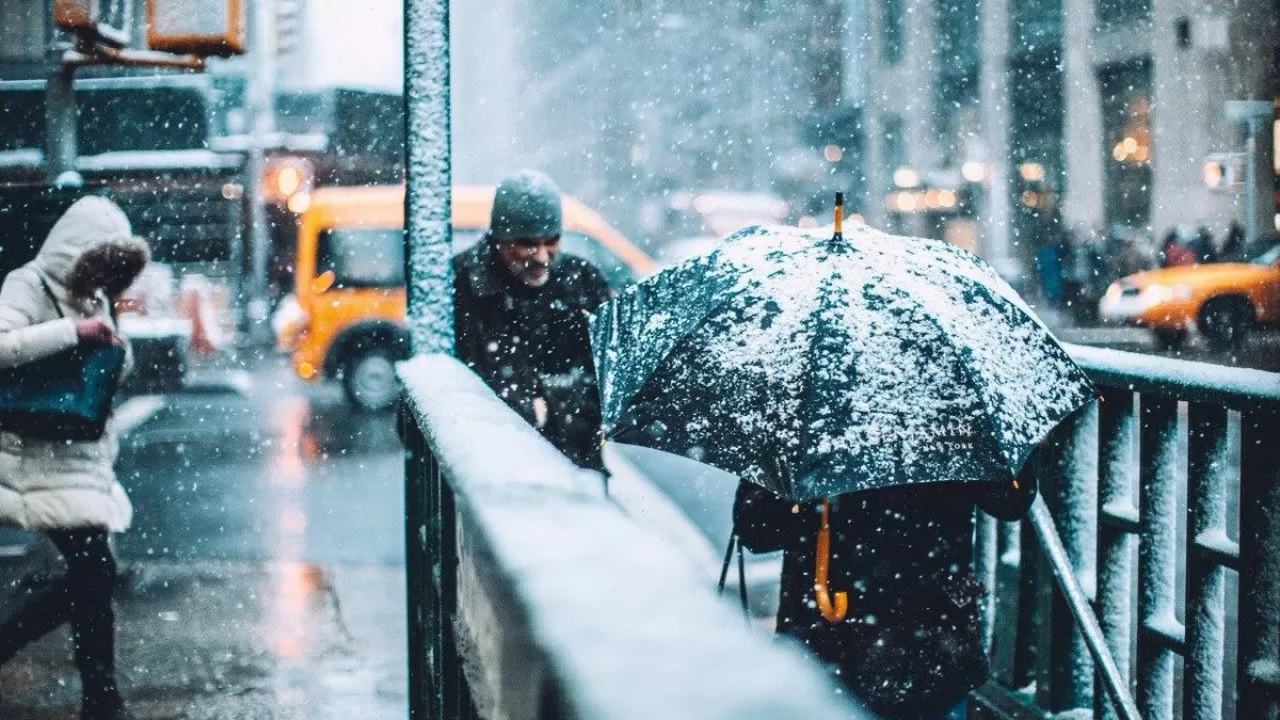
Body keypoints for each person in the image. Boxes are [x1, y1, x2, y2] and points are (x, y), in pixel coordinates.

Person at [0, 195, 149, 720]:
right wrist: (73, 332)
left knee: (94, 575)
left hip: (78, 453)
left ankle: (102, 701)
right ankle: (101, 702)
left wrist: (112, 342)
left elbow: (106, 373)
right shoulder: (29, 284)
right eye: (99, 260)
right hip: (34, 450)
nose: (105, 276)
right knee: (94, 570)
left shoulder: (93, 298)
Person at [733, 471, 1036, 719]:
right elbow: (759, 528)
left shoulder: (809, 412)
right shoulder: (951, 413)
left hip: (906, 648)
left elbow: (1010, 500)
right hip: (899, 643)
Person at [453, 169, 611, 472]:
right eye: (527, 244)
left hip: (576, 463)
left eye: (551, 241)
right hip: (494, 468)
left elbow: (607, 377)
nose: (541, 256)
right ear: (498, 240)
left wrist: (557, 407)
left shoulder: (582, 282)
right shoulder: (460, 286)